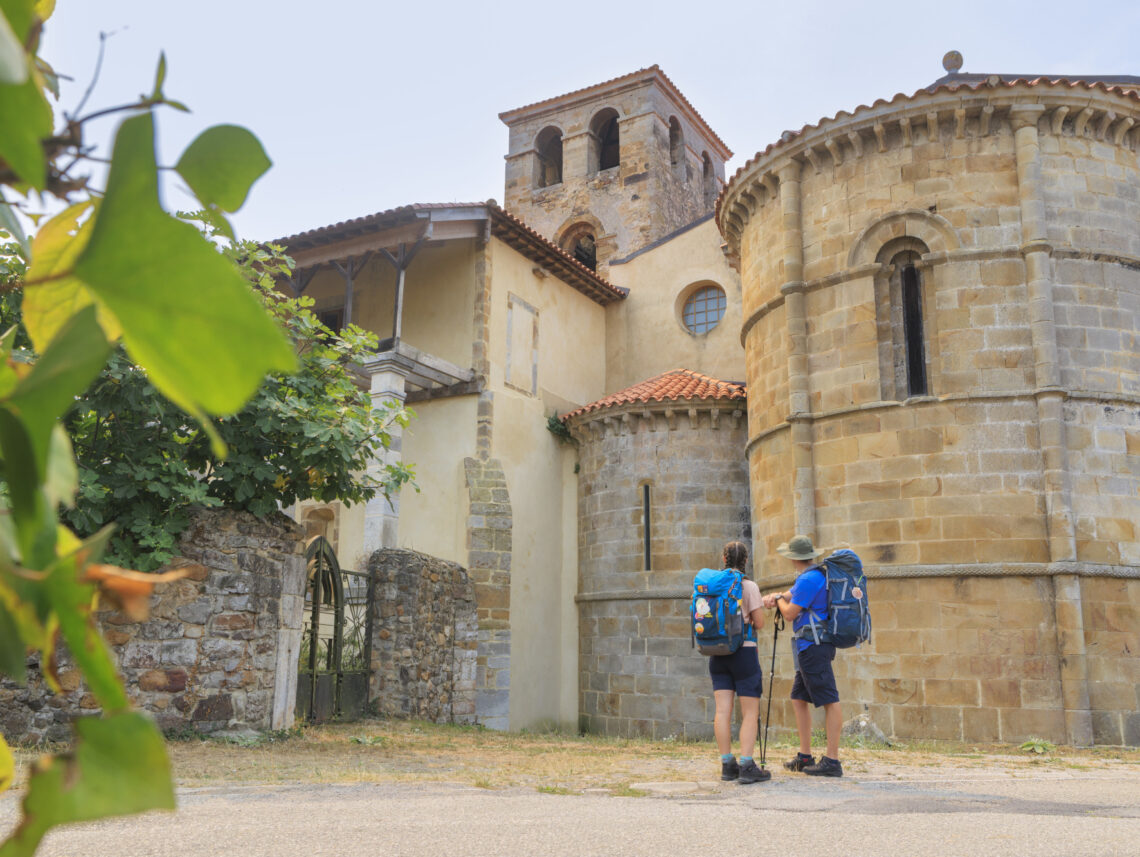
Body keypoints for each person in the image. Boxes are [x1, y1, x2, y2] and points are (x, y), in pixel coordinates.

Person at [762, 534, 844, 777]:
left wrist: (778, 603)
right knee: (799, 698)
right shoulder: (810, 577)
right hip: (808, 646)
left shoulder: (809, 579)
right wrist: (777, 597)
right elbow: (789, 595)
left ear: (792, 558)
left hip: (813, 646)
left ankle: (832, 760)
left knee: (830, 699)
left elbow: (789, 613)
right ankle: (805, 755)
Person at [707, 541, 770, 784]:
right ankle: (746, 765)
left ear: (723, 559)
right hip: (744, 653)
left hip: (718, 653)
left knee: (722, 710)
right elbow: (760, 623)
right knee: (750, 712)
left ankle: (726, 764)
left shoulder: (713, 586)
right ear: (746, 560)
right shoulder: (749, 586)